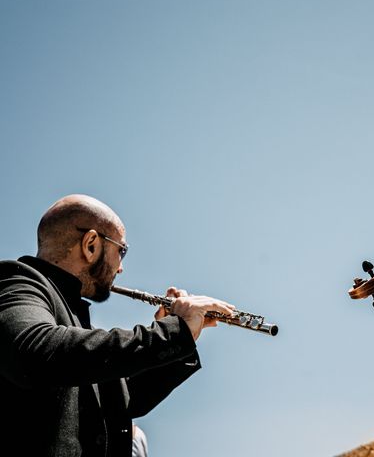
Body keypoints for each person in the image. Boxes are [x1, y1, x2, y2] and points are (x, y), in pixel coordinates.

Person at [0, 194, 236, 456]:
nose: (121, 268)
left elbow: (121, 401)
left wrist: (181, 335)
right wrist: (168, 333)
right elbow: (34, 354)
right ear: (90, 244)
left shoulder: (74, 315)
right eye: (121, 250)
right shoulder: (16, 281)